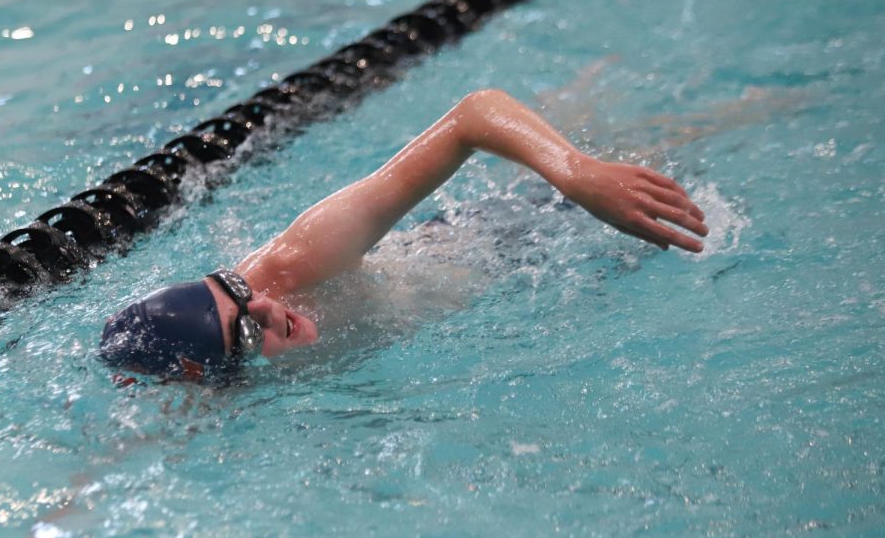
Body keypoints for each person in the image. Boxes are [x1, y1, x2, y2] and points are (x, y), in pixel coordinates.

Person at [100, 88, 708, 378]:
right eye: (247, 327)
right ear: (207, 376)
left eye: (237, 288)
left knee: (689, 137)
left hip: (521, 235)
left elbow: (472, 115)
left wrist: (575, 173)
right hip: (503, 271)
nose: (266, 304)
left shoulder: (296, 264)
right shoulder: (198, 386)